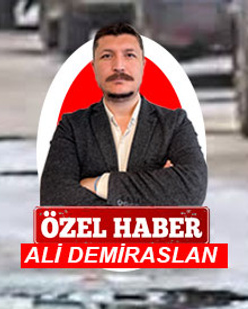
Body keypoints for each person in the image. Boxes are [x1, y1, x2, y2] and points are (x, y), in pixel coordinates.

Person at [39, 23, 207, 207]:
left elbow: (193, 187)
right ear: (94, 67)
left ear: (143, 65)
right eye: (107, 56)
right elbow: (54, 196)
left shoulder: (174, 124)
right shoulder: (72, 127)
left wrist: (101, 184)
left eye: (129, 55)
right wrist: (156, 190)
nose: (118, 66)